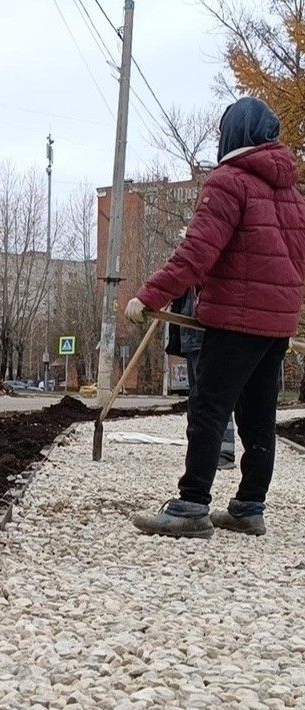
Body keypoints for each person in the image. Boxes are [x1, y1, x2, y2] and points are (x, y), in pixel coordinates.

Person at [125, 97, 305, 538]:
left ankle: (191, 506)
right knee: (259, 416)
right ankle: (248, 506)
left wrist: (149, 297)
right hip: (277, 324)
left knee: (208, 408)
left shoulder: (229, 182)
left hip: (235, 320)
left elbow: (197, 254)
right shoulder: (294, 197)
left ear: (233, 134)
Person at [177, 287, 236, 470]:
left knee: (214, 398)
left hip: (208, 337)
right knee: (196, 398)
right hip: (191, 338)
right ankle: (199, 451)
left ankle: (224, 452)